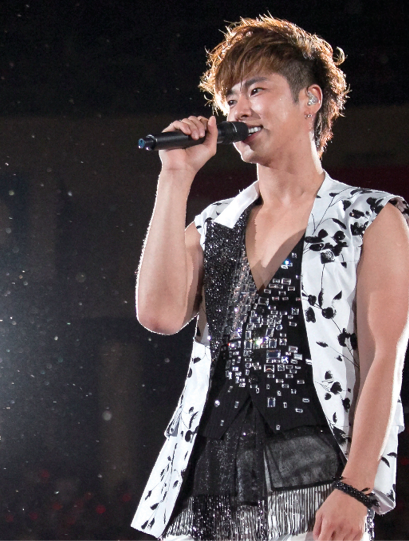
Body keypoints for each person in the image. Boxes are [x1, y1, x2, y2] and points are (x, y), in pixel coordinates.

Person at [131, 16, 409, 541]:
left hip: (313, 479)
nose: (238, 109)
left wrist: (356, 489)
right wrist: (175, 178)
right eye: (230, 98)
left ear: (310, 100)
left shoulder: (369, 218)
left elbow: (383, 362)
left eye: (256, 90)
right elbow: (158, 314)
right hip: (204, 480)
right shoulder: (216, 223)